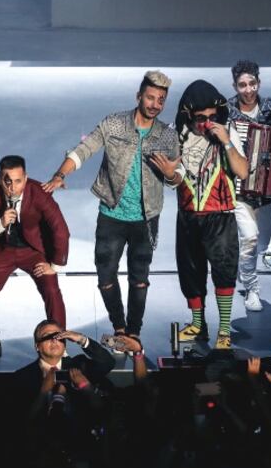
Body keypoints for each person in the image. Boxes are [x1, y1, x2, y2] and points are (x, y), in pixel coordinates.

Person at [43, 71, 178, 344]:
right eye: (150, 97)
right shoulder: (114, 124)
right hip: (111, 215)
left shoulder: (167, 136)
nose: (155, 104)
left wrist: (171, 175)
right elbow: (84, 150)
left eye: (161, 100)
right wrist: (60, 174)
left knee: (139, 279)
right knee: (105, 276)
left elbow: (177, 177)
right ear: (139, 96)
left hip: (146, 218)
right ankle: (119, 326)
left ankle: (134, 332)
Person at [169, 80, 250, 350]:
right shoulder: (176, 136)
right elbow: (170, 177)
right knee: (190, 272)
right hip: (188, 215)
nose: (207, 123)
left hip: (220, 216)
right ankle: (197, 324)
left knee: (224, 272)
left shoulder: (227, 133)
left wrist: (226, 141)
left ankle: (224, 330)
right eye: (200, 118)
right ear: (188, 116)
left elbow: (242, 171)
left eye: (212, 117)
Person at [0, 155, 70, 362]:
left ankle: (60, 344)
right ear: (0, 178)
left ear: (25, 178)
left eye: (18, 181)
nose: (12, 187)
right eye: (7, 181)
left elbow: (60, 230)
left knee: (52, 291)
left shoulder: (39, 192)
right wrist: (0, 223)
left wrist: (55, 266)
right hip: (0, 250)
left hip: (33, 251)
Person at [227, 60, 271, 312]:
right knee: (250, 237)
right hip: (239, 188)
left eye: (252, 83)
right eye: (242, 85)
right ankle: (252, 288)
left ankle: (243, 269)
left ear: (258, 83)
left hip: (265, 189)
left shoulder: (269, 107)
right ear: (235, 86)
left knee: (259, 243)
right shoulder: (228, 111)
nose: (248, 89)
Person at [9, 319, 117, 418]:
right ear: (37, 346)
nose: (54, 340)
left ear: (64, 345)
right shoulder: (21, 377)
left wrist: (82, 339)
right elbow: (19, 418)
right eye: (47, 337)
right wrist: (44, 392)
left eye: (58, 336)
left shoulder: (80, 366)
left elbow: (108, 363)